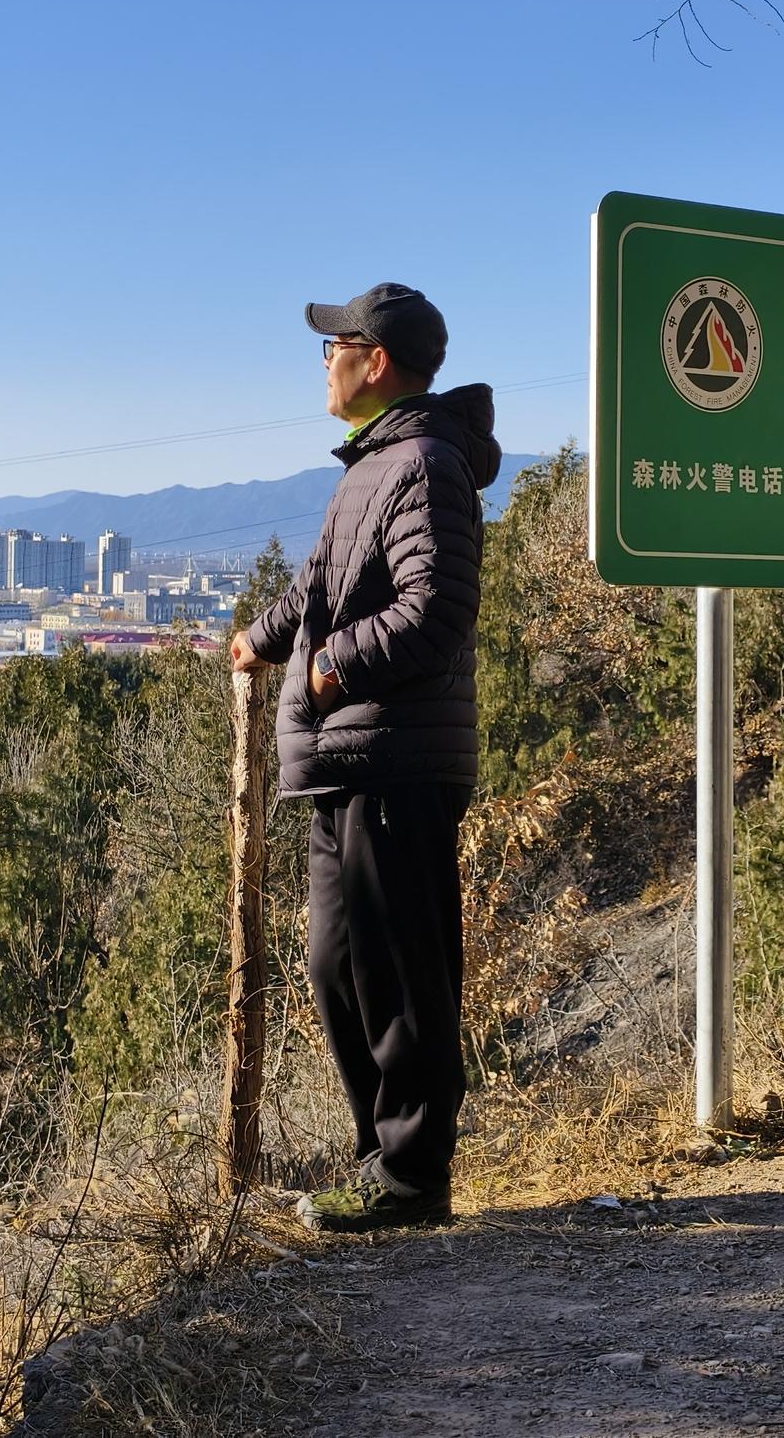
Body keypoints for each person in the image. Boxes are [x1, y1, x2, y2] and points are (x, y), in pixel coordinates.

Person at [230, 282, 500, 1230]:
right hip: (350, 763)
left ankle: (414, 1177)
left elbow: (437, 612)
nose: (323, 360)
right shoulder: (372, 468)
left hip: (395, 760)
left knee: (401, 970)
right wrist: (262, 641)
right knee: (338, 963)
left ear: (373, 359)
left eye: (332, 344)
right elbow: (319, 586)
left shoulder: (423, 464)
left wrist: (329, 672)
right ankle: (379, 1161)